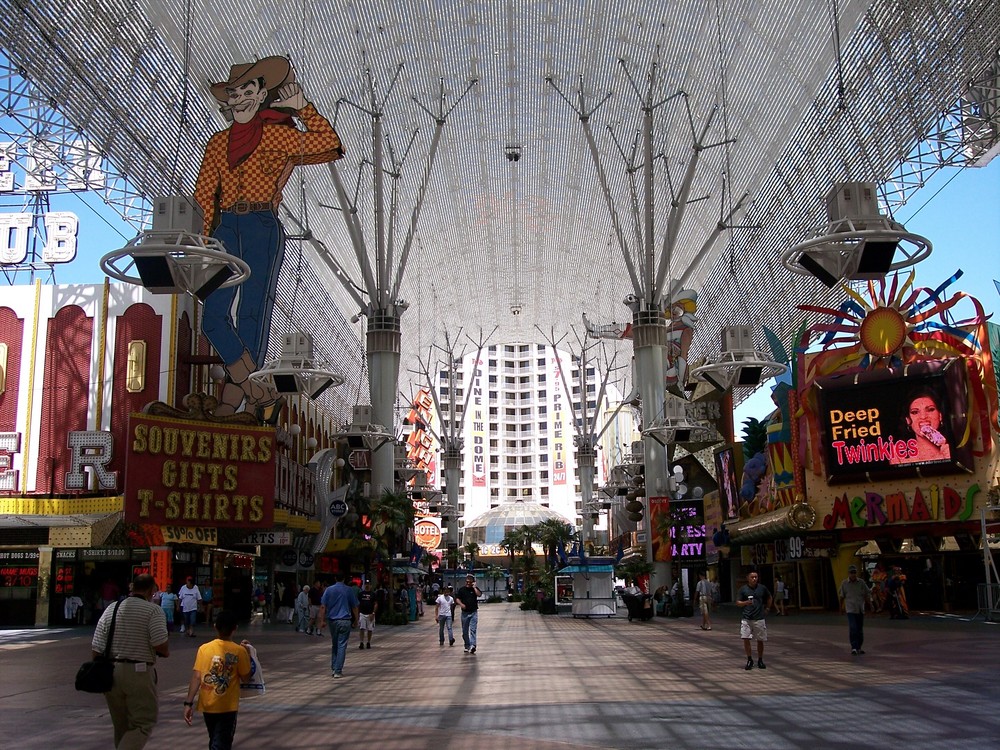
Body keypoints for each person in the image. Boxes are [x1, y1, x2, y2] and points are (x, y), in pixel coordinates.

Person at [194, 56, 344, 419]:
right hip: (225, 229)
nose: (241, 98)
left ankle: (232, 407)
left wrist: (303, 108)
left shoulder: (277, 135)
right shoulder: (218, 143)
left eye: (248, 90)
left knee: (252, 315)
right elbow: (204, 194)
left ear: (262, 95)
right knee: (212, 318)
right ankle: (258, 392)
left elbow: (330, 145)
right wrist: (203, 237)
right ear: (227, 100)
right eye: (234, 92)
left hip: (261, 223)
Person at [90, 573, 169, 749]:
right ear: (151, 590)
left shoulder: (112, 608)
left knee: (121, 726)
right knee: (143, 723)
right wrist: (164, 651)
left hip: (111, 673)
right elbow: (160, 644)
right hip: (138, 671)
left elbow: (96, 648)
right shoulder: (153, 610)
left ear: (132, 588)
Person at [183, 610, 253, 750]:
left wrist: (188, 703)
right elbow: (246, 678)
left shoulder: (204, 649)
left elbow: (197, 677)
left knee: (215, 739)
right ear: (235, 628)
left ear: (215, 626)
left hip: (207, 704)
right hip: (228, 706)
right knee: (221, 742)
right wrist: (249, 655)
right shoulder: (239, 651)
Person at [892, 388, 952, 465]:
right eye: (915, 412)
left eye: (930, 409)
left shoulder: (954, 447)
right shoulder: (898, 453)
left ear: (940, 415)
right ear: (908, 420)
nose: (923, 417)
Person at [319, 571, 359, 678]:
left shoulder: (329, 590)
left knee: (335, 644)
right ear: (344, 579)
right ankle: (338, 670)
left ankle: (334, 667)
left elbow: (323, 606)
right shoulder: (349, 590)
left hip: (332, 620)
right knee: (342, 645)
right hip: (345, 620)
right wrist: (356, 620)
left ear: (335, 578)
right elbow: (355, 607)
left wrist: (322, 621)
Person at [736, 570, 773, 670]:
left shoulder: (762, 588)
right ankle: (749, 659)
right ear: (748, 578)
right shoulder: (743, 589)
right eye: (752, 577)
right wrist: (745, 603)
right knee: (746, 638)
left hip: (759, 618)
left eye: (756, 577)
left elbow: (769, 597)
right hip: (747, 618)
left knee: (760, 639)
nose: (754, 579)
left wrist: (768, 608)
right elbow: (738, 602)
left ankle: (760, 659)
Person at [839, 564, 872, 655]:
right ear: (848, 574)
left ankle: (859, 647)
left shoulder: (861, 583)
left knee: (859, 629)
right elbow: (841, 597)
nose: (853, 575)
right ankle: (854, 647)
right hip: (850, 609)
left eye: (854, 572)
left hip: (860, 609)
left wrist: (870, 605)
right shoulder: (844, 584)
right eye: (851, 573)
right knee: (853, 627)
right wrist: (841, 608)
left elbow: (867, 594)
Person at [456, 574, 482, 654]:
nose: (467, 583)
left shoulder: (474, 589)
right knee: (464, 631)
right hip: (465, 613)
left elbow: (479, 594)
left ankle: (473, 645)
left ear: (472, 582)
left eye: (469, 582)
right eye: (467, 581)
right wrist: (461, 604)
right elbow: (457, 599)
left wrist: (474, 587)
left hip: (473, 612)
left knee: (473, 630)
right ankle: (467, 645)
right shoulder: (462, 590)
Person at [357, 580, 378, 649]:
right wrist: (357, 614)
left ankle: (368, 642)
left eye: (368, 584)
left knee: (370, 629)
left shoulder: (373, 594)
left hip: (370, 614)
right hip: (362, 613)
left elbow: (375, 604)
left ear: (371, 586)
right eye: (366, 584)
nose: (367, 585)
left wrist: (373, 613)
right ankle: (361, 642)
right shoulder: (360, 594)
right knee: (362, 628)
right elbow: (358, 604)